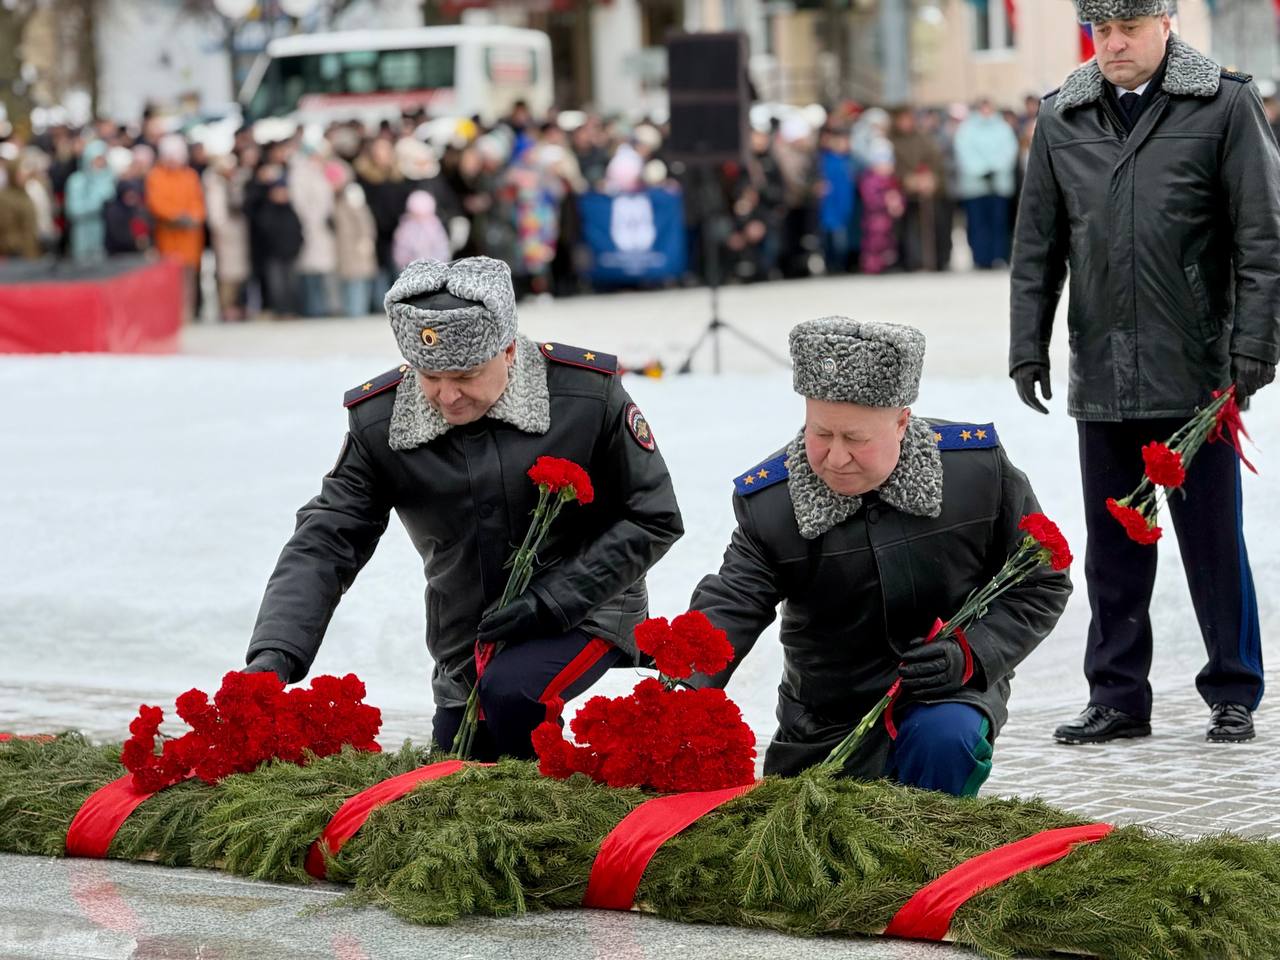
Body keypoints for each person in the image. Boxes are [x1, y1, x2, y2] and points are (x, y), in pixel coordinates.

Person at [242, 256, 684, 761]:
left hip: (584, 610)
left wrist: (551, 601)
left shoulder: (586, 396)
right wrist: (276, 652)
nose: (447, 396)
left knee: (513, 694)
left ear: (509, 350)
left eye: (466, 375)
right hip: (467, 640)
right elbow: (327, 539)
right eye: (429, 375)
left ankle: (555, 807)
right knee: (454, 767)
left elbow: (654, 515)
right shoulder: (380, 422)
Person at [1010, 0, 1279, 744]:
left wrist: (1256, 344)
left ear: (1166, 23)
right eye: (1102, 30)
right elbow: (1037, 246)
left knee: (1212, 540)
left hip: (1197, 366)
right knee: (1113, 545)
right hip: (1101, 363)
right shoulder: (1062, 115)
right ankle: (1118, 696)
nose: (1114, 44)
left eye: (1129, 28)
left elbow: (1263, 238)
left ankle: (1233, 690)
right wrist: (1027, 344)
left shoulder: (1224, 104)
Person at [689, 318, 1070, 796]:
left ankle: (935, 831)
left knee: (945, 737)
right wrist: (683, 688)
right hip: (824, 720)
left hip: (944, 694)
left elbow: (1041, 581)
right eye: (820, 434)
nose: (836, 457)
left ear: (902, 422)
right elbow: (733, 601)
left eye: (855, 439)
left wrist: (971, 655)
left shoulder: (976, 472)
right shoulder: (771, 502)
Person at [953, 99, 1018, 269]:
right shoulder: (967, 129)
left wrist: (995, 169)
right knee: (977, 224)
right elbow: (964, 153)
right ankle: (980, 258)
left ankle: (999, 256)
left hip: (999, 184)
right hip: (975, 186)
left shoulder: (1003, 128)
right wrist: (981, 170)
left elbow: (1009, 152)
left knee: (999, 223)